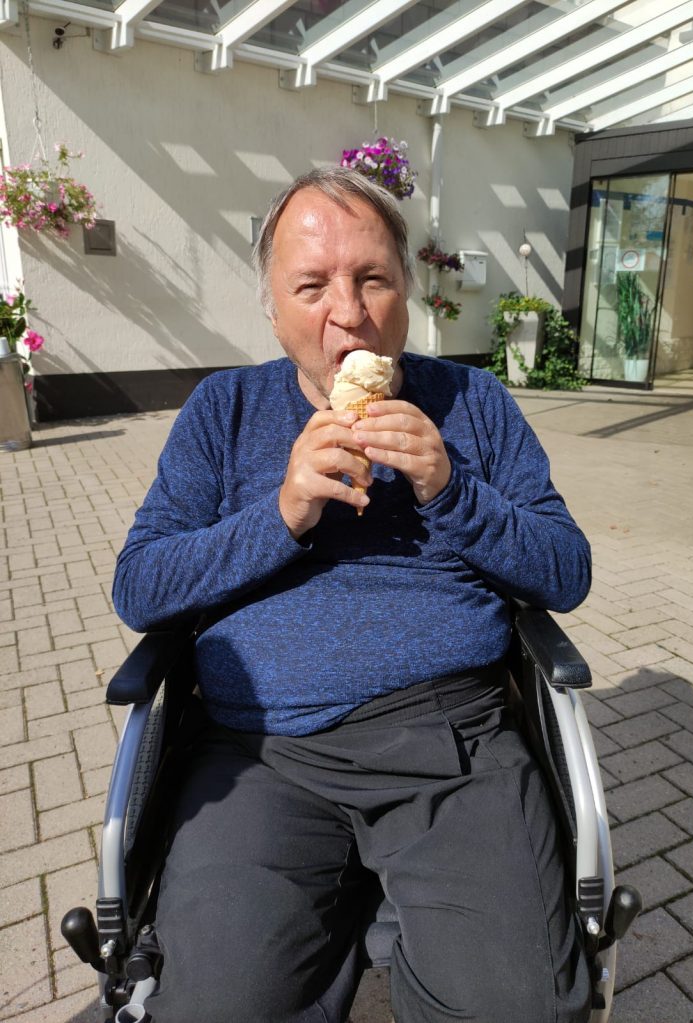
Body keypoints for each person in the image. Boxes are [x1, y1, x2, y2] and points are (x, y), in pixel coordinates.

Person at [112, 166, 592, 1023]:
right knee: (217, 1007)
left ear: (408, 290)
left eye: (373, 277)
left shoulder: (473, 401)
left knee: (518, 1006)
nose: (349, 309)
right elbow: (141, 584)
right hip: (258, 753)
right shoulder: (223, 408)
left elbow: (565, 569)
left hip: (450, 741)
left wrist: (452, 489)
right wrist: (284, 512)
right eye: (311, 285)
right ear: (271, 306)